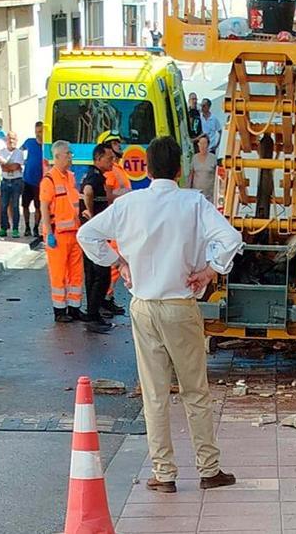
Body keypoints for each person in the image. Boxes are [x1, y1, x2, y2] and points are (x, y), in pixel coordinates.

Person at [78, 136, 241, 494]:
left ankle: (163, 473)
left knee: (154, 392)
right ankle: (208, 468)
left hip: (143, 307)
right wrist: (210, 271)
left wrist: (118, 262)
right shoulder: (193, 203)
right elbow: (230, 238)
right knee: (195, 390)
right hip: (180, 306)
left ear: (147, 169)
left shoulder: (129, 204)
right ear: (181, 170)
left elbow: (87, 234)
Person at [41, 140, 85, 323]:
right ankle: (59, 311)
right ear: (57, 156)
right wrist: (49, 233)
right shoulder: (49, 180)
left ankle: (74, 308)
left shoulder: (71, 177)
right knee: (59, 274)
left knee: (76, 272)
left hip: (74, 232)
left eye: (70, 153)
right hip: (58, 235)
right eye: (67, 154)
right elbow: (44, 207)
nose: (70, 156)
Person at [76, 144, 116, 333]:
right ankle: (93, 315)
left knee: (94, 275)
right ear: (98, 159)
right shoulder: (94, 177)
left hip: (90, 234)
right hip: (93, 235)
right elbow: (89, 192)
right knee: (101, 275)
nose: (112, 161)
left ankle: (94, 313)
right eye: (109, 158)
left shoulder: (93, 174)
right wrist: (92, 216)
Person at [99, 132, 131, 316]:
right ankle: (105, 298)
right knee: (114, 261)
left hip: (120, 220)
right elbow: (109, 195)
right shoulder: (111, 171)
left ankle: (108, 298)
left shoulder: (118, 168)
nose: (119, 146)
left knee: (116, 261)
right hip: (114, 221)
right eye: (115, 143)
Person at [0, 132, 24, 238]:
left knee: (15, 206)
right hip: (5, 181)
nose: (11, 141)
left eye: (13, 139)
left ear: (16, 140)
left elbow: (15, 167)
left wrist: (5, 164)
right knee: (3, 206)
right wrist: (9, 166)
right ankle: (4, 228)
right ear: (6, 140)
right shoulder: (2, 151)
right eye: (9, 139)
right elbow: (4, 168)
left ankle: (15, 229)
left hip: (16, 181)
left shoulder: (19, 153)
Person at [21, 121, 45, 238]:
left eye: (40, 132)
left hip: (40, 182)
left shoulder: (47, 146)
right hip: (27, 180)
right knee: (25, 205)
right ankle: (26, 227)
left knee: (38, 207)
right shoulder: (29, 142)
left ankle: (36, 227)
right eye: (36, 132)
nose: (38, 134)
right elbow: (19, 151)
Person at [187, 136, 216, 204]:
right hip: (196, 194)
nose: (202, 146)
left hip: (210, 195)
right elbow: (191, 175)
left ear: (208, 145)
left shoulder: (213, 158)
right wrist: (188, 190)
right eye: (201, 143)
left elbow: (218, 176)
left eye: (204, 143)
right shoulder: (194, 158)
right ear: (198, 145)